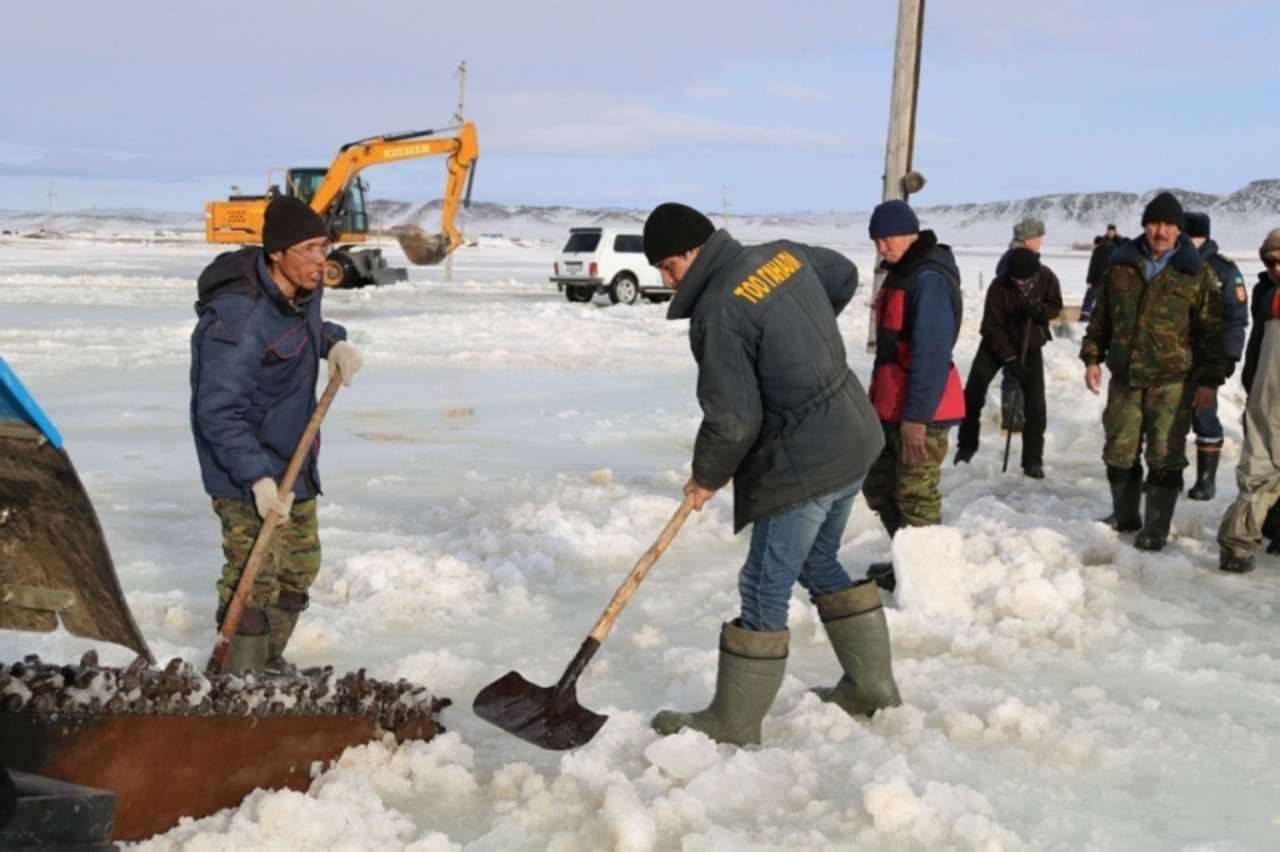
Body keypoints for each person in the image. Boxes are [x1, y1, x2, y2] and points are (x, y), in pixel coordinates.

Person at [641, 202, 900, 746]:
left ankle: (732, 724)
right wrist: (800, 334)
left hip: (805, 457)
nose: (666, 280)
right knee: (815, 559)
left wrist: (707, 475)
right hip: (853, 434)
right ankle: (871, 689)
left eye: (668, 266)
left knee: (763, 584)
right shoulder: (780, 257)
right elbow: (843, 275)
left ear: (695, 250)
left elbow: (733, 418)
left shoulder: (718, 312)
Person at [190, 195, 364, 674]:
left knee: (298, 568)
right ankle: (237, 680)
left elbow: (303, 330)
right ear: (277, 253)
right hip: (244, 470)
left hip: (294, 459)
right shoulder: (239, 319)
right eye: (308, 249)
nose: (320, 261)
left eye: (324, 247)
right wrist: (256, 479)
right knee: (254, 577)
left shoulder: (301, 291)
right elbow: (219, 412)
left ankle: (268, 664)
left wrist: (334, 342)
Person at [1080, 192, 1225, 551]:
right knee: (1119, 450)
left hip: (1172, 382)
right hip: (1126, 378)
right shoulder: (1120, 266)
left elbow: (1210, 332)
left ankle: (1156, 529)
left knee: (1165, 456)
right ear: (1144, 225)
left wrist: (1209, 382)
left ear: (1179, 230)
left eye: (1169, 225)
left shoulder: (1196, 273)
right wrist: (1092, 358)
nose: (1161, 231)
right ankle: (1126, 517)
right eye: (1155, 223)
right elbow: (1102, 319)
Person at [861, 200, 965, 592]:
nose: (881, 247)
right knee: (880, 485)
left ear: (910, 233)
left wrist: (916, 419)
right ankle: (910, 565)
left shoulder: (928, 279)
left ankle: (929, 584)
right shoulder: (901, 273)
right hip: (891, 405)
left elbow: (931, 354)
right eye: (876, 240)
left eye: (887, 238)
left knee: (916, 495)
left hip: (923, 411)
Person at [954, 247, 1063, 477]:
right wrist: (1010, 358)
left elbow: (1055, 306)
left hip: (1030, 345)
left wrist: (1040, 311)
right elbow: (991, 327)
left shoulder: (1047, 277)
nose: (1020, 283)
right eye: (1016, 279)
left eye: (1025, 279)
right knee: (973, 394)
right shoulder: (998, 287)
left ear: (1035, 274)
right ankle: (966, 447)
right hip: (995, 345)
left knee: (1035, 404)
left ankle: (1033, 461)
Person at [1216, 229, 1280, 573]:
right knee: (1261, 464)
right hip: (1269, 387)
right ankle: (1238, 544)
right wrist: (1251, 378)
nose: (1277, 267)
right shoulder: (1265, 293)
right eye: (1271, 261)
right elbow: (1256, 340)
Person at [1182, 212, 1248, 500]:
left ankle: (1205, 481)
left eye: (1190, 236)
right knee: (1168, 418)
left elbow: (1237, 317)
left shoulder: (1224, 270)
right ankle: (1166, 477)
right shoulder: (1174, 264)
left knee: (1203, 414)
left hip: (1207, 357)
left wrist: (1230, 355)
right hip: (1171, 356)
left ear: (1203, 237)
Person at [1083, 223, 1123, 323]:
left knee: (1109, 300)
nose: (1110, 232)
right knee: (1091, 298)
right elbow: (1093, 264)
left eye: (1112, 231)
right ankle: (1084, 318)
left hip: (1112, 278)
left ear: (1115, 231)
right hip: (1098, 277)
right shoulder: (1101, 243)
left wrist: (1118, 237)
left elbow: (1126, 245)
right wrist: (1089, 279)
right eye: (1109, 230)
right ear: (1107, 231)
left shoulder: (1118, 243)